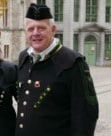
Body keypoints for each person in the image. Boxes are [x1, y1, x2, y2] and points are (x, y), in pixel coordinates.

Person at [15, 3, 99, 136]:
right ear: (25, 31)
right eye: (31, 29)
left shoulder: (73, 63)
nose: (35, 33)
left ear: (53, 30)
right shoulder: (24, 57)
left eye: (41, 28)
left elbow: (86, 115)